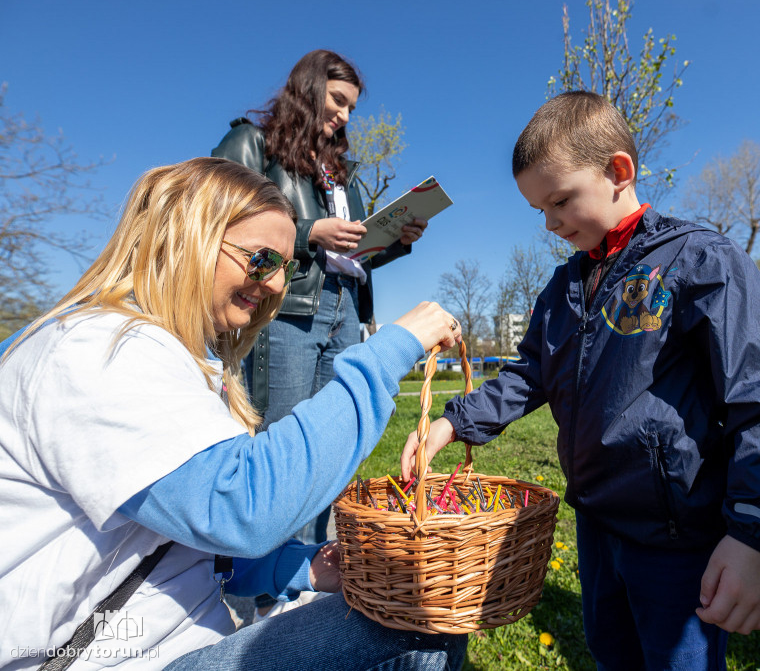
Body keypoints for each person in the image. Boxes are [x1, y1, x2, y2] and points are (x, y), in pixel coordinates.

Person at [0, 158, 467, 670]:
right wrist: (391, 349)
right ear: (185, 238)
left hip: (186, 644)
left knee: (423, 615)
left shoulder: (178, 361)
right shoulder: (97, 350)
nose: (274, 285)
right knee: (421, 630)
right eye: (261, 259)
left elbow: (184, 546)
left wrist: (304, 568)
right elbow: (243, 507)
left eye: (285, 268)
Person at [401, 92, 760, 670]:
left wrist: (755, 536)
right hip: (596, 523)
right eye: (539, 210)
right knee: (611, 654)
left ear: (618, 171)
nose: (551, 223)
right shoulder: (562, 289)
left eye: (560, 201)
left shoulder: (699, 261)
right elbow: (528, 375)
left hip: (677, 536)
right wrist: (453, 420)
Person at [211, 49, 428, 612]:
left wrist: (395, 238)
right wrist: (310, 231)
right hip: (286, 310)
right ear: (308, 90)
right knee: (284, 442)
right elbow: (215, 214)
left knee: (328, 443)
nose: (345, 118)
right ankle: (264, 583)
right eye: (338, 102)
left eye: (352, 108)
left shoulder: (342, 172)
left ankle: (307, 573)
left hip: (343, 309)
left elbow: (353, 254)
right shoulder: (252, 145)